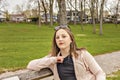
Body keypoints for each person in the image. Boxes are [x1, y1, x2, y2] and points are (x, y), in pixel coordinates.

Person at [27, 25, 106, 80]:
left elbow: (99, 72)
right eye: (57, 37)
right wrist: (53, 59)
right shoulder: (53, 58)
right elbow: (31, 65)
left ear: (71, 40)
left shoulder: (82, 54)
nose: (60, 39)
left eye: (64, 36)